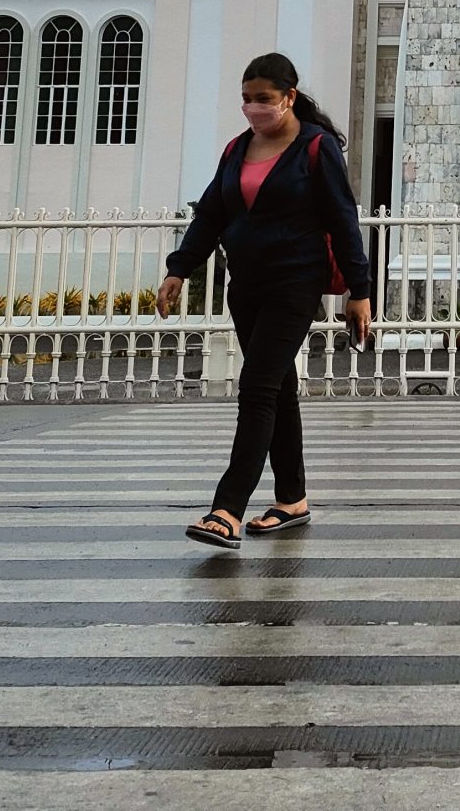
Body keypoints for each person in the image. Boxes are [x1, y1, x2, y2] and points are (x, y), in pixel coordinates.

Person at [157, 53, 374, 547]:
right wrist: (179, 267)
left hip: (294, 285)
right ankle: (292, 499)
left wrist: (359, 292)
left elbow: (343, 220)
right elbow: (212, 213)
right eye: (247, 99)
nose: (254, 108)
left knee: (256, 387)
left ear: (289, 97)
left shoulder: (315, 148)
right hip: (246, 286)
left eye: (264, 99)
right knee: (277, 389)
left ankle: (226, 509)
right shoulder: (238, 149)